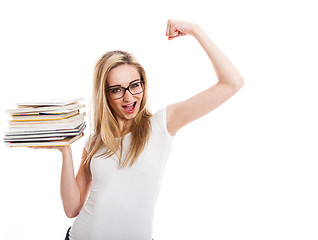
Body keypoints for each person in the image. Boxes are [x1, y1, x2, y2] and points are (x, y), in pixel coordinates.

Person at [35, 19, 244, 240]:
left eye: (135, 85)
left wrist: (195, 30)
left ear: (143, 83)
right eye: (117, 89)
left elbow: (232, 83)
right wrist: (65, 151)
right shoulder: (97, 139)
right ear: (104, 94)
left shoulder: (163, 124)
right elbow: (72, 208)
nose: (129, 97)